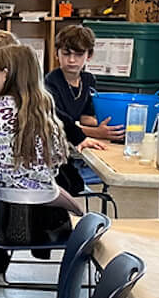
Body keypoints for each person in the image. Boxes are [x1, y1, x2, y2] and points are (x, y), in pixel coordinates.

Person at [0, 44, 104, 275]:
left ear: (6, 73)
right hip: (43, 224)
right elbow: (57, 161)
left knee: (46, 189)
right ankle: (80, 216)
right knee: (62, 191)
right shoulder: (45, 114)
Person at [44, 24, 123, 194]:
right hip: (56, 147)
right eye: (66, 54)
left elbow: (86, 116)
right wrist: (98, 133)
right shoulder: (50, 82)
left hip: (75, 142)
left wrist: (108, 124)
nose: (72, 60)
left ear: (89, 55)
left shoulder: (88, 80)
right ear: (56, 53)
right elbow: (58, 122)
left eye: (78, 55)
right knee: (74, 184)